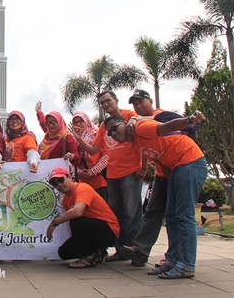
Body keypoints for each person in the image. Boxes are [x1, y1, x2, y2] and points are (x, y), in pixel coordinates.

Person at [104, 111, 207, 279]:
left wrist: (188, 120)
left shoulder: (140, 128)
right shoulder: (136, 144)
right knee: (171, 216)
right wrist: (170, 184)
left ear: (125, 123)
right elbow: (161, 160)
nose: (113, 133)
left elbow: (167, 126)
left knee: (184, 216)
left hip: (190, 162)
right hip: (176, 169)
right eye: (109, 133)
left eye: (115, 128)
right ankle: (172, 260)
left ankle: (187, 265)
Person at [71, 91, 146, 262]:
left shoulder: (130, 115)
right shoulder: (104, 126)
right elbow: (93, 150)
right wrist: (79, 139)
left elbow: (142, 140)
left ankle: (136, 249)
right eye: (102, 103)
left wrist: (143, 167)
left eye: (108, 101)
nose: (105, 105)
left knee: (132, 212)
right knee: (115, 213)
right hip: (113, 174)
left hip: (130, 171)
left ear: (116, 100)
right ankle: (120, 249)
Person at [46, 167, 120, 269]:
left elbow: (77, 212)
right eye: (55, 184)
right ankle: (98, 252)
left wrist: (54, 223)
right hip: (94, 230)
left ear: (69, 177)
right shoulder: (65, 201)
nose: (59, 185)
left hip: (109, 230)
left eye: (61, 180)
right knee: (63, 253)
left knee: (76, 221)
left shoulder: (82, 188)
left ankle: (88, 257)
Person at [67, 111, 108, 201]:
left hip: (99, 180)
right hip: (83, 183)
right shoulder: (73, 139)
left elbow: (106, 156)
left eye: (81, 121)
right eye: (75, 122)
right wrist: (79, 172)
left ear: (86, 121)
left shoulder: (96, 134)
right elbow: (73, 162)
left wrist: (93, 171)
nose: (78, 124)